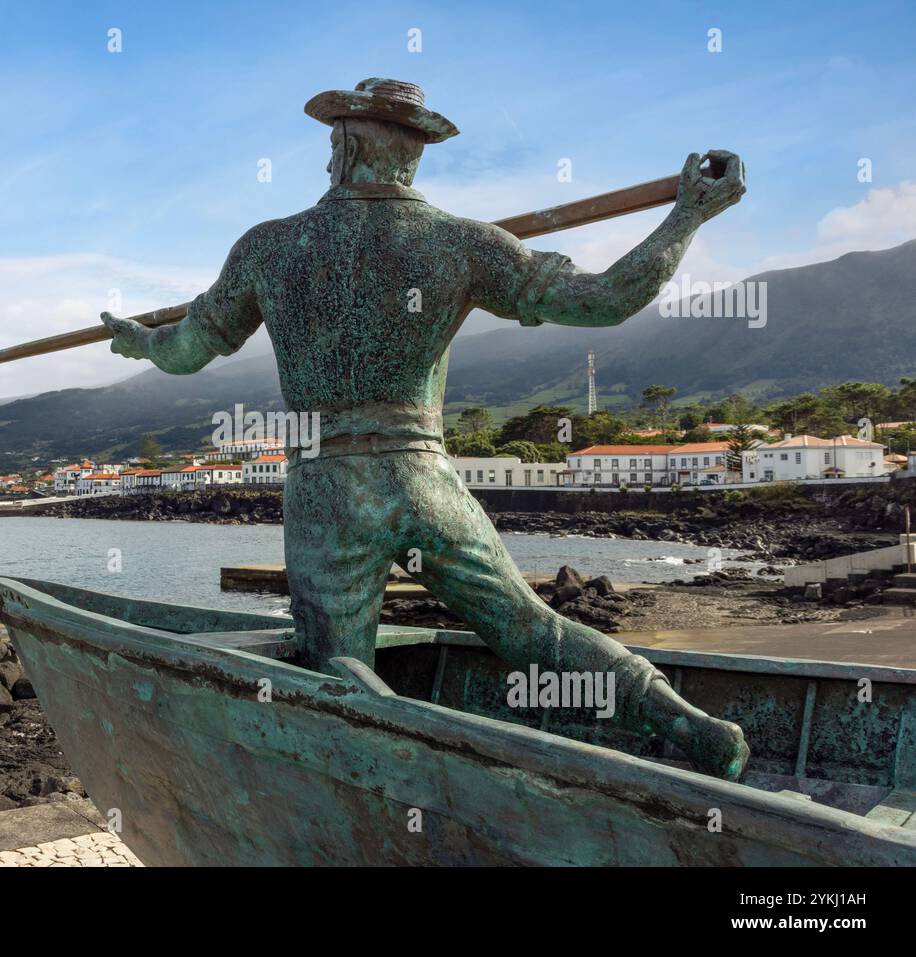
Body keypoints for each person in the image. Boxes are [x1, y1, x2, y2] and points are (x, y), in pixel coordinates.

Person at [103, 78, 749, 779]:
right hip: (425, 477)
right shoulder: (465, 244)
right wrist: (688, 215)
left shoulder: (268, 248)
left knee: (340, 669)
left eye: (330, 145)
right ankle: (688, 725)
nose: (326, 162)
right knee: (533, 628)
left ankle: (390, 787)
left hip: (327, 488)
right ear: (414, 154)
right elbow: (608, 300)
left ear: (350, 145)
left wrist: (141, 341)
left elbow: (185, 351)